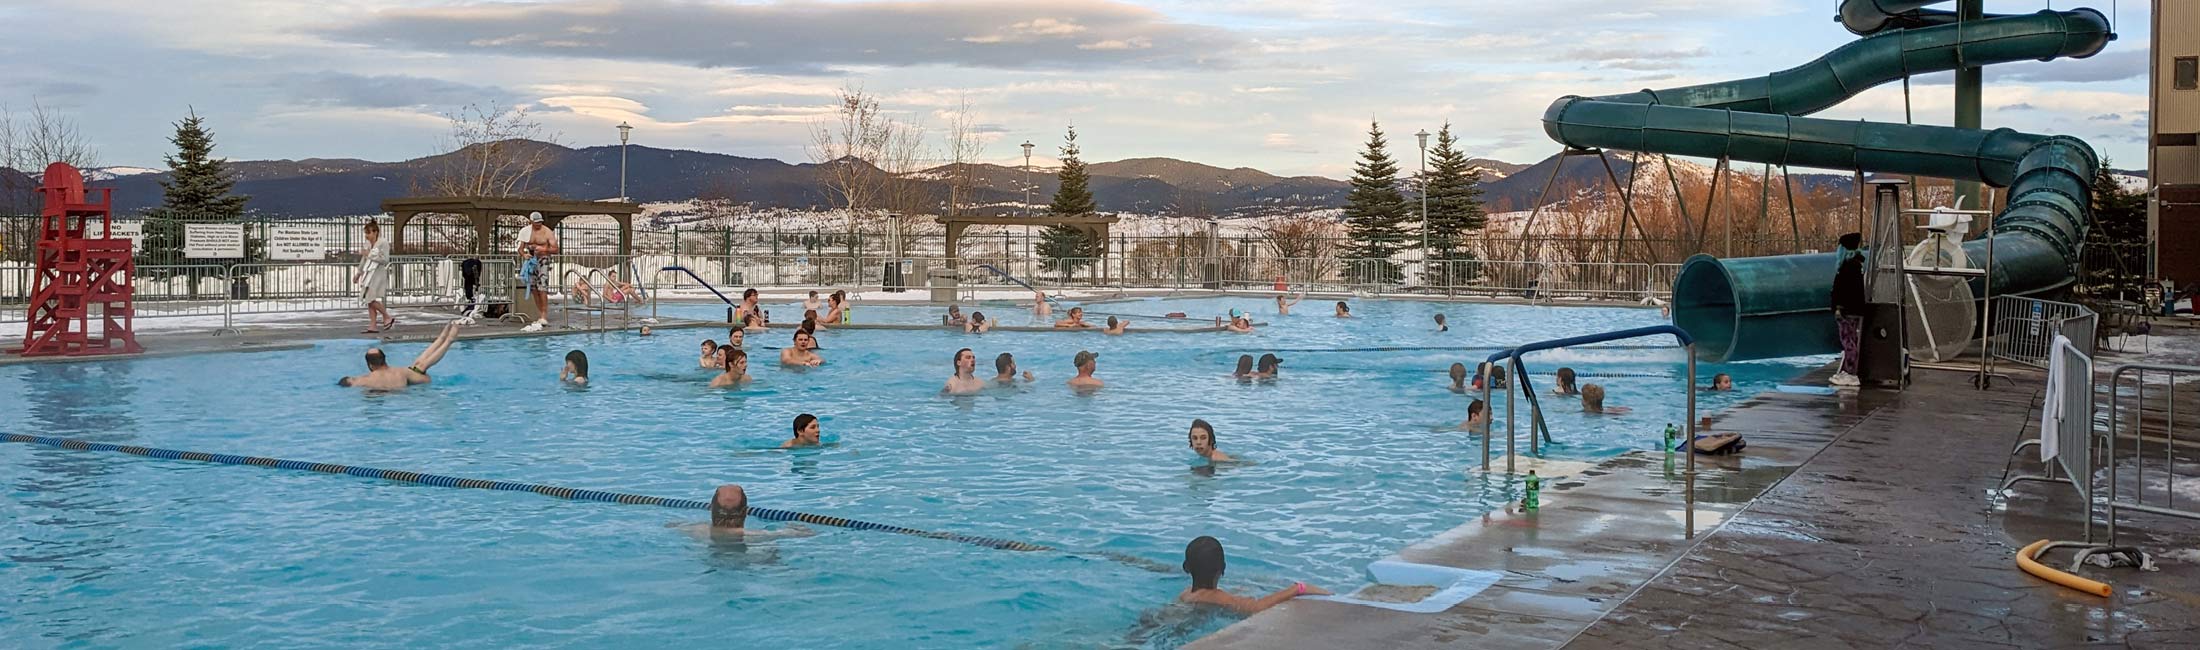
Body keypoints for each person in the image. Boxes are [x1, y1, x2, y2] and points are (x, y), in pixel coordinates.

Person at [1177, 536, 1329, 615]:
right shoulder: (1218, 597)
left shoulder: (1186, 593)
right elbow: (1257, 608)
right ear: (1223, 569)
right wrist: (1297, 589)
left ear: (1186, 568)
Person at [339, 320, 463, 390]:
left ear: (370, 365)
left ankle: (446, 340)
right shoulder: (399, 371)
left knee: (419, 365)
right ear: (384, 360)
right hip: (416, 380)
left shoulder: (365, 380)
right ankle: (444, 339)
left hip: (403, 392)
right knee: (419, 365)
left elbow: (348, 383)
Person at [686, 484, 814, 540]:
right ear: (745, 512)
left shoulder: (695, 530)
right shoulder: (756, 536)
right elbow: (809, 534)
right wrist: (796, 525)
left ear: (712, 509)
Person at [1830, 232, 1866, 387]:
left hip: (1846, 310)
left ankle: (1851, 372)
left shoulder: (1847, 267)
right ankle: (1849, 370)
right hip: (1854, 309)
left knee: (1848, 340)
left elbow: (1843, 290)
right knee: (1852, 339)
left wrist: (1839, 307)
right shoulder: (1857, 266)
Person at [516, 212, 559, 332]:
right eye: (536, 223)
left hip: (543, 259)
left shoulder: (547, 232)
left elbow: (556, 249)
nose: (538, 224)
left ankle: (544, 315)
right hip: (531, 259)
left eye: (540, 222)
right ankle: (540, 314)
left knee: (542, 287)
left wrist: (544, 248)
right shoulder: (526, 232)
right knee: (534, 288)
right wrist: (524, 255)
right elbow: (520, 249)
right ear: (531, 222)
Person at [354, 221, 395, 333]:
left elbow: (385, 260)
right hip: (368, 274)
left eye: (368, 233)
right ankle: (373, 325)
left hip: (377, 274)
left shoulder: (383, 243)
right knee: (368, 298)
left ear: (375, 232)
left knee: (370, 298)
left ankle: (387, 316)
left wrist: (370, 254)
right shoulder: (367, 244)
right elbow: (364, 259)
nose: (366, 236)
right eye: (365, 233)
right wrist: (358, 273)